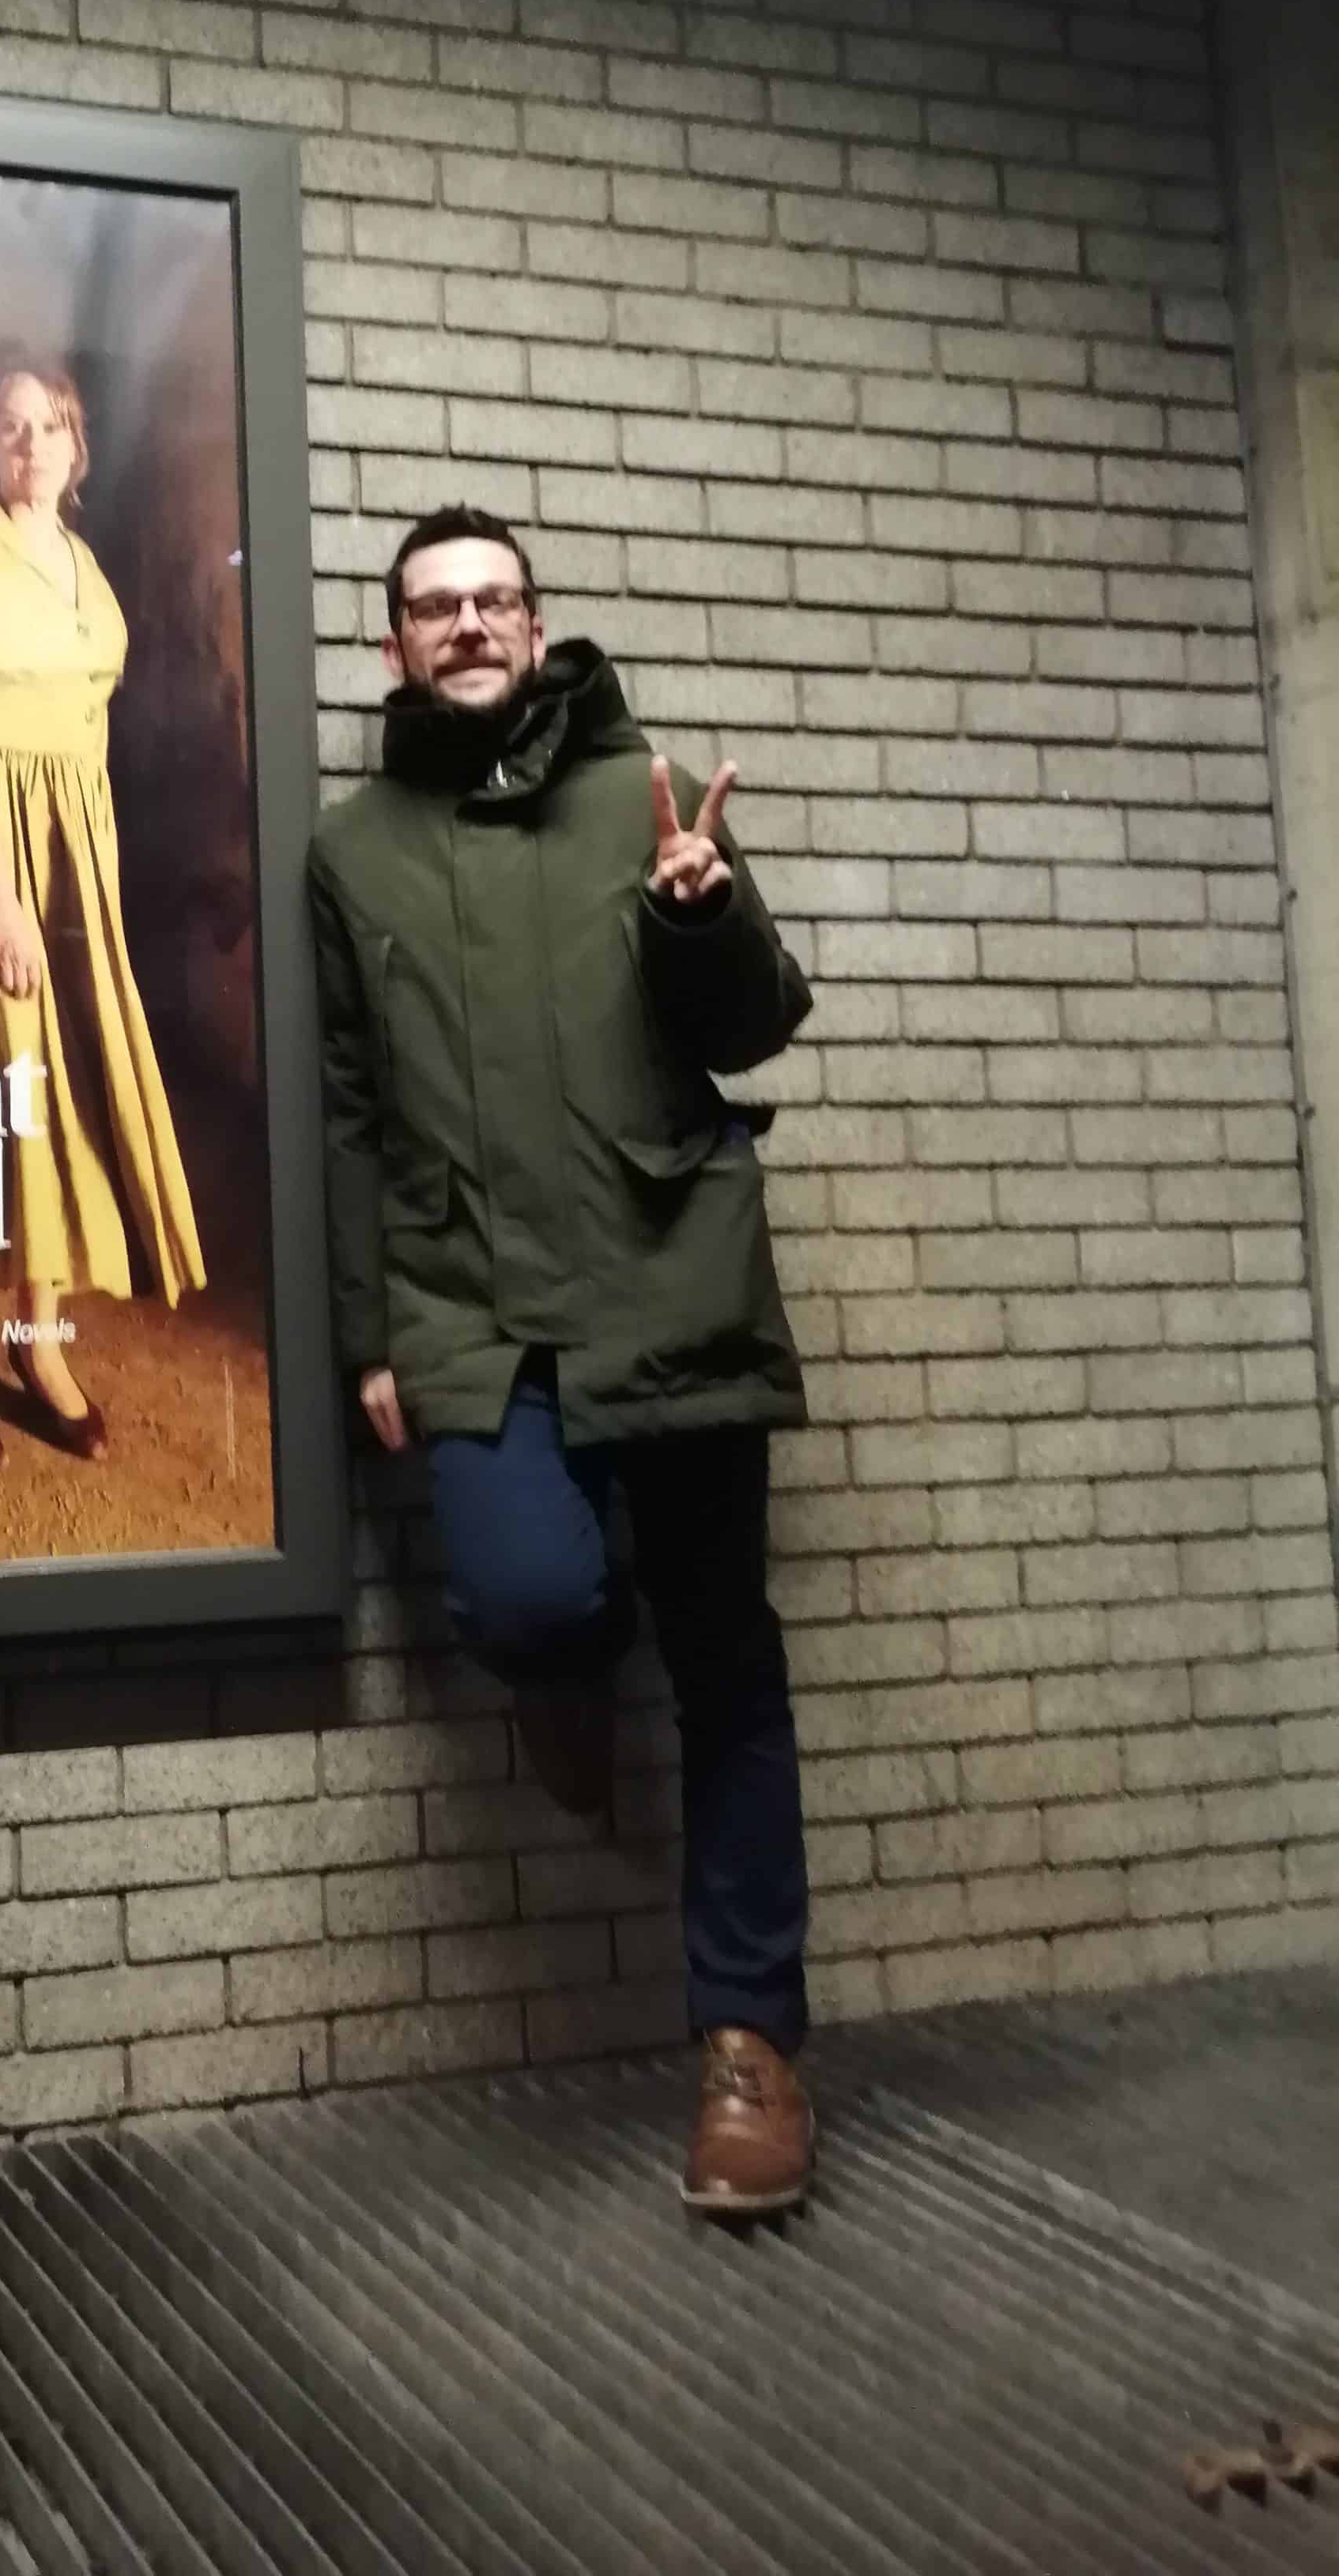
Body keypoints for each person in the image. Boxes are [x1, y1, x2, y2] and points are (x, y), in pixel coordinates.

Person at [307, 503, 817, 2216]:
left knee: (727, 1657)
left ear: (536, 626)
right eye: (434, 606)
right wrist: (372, 1332)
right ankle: (569, 1679)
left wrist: (701, 916)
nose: (467, 624)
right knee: (530, 1600)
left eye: (494, 600)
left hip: (667, 1272)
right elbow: (348, 1109)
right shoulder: (353, 852)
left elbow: (755, 1024)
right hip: (472, 1307)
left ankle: (749, 2048)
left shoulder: (641, 796)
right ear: (394, 644)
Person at [0, 354, 206, 1463]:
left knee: (64, 1092)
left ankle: (35, 1338)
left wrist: (88, 867)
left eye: (52, 426)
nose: (32, 445)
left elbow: (92, 716)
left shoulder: (83, 560)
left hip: (78, 847)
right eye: (11, 425)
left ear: (79, 447)